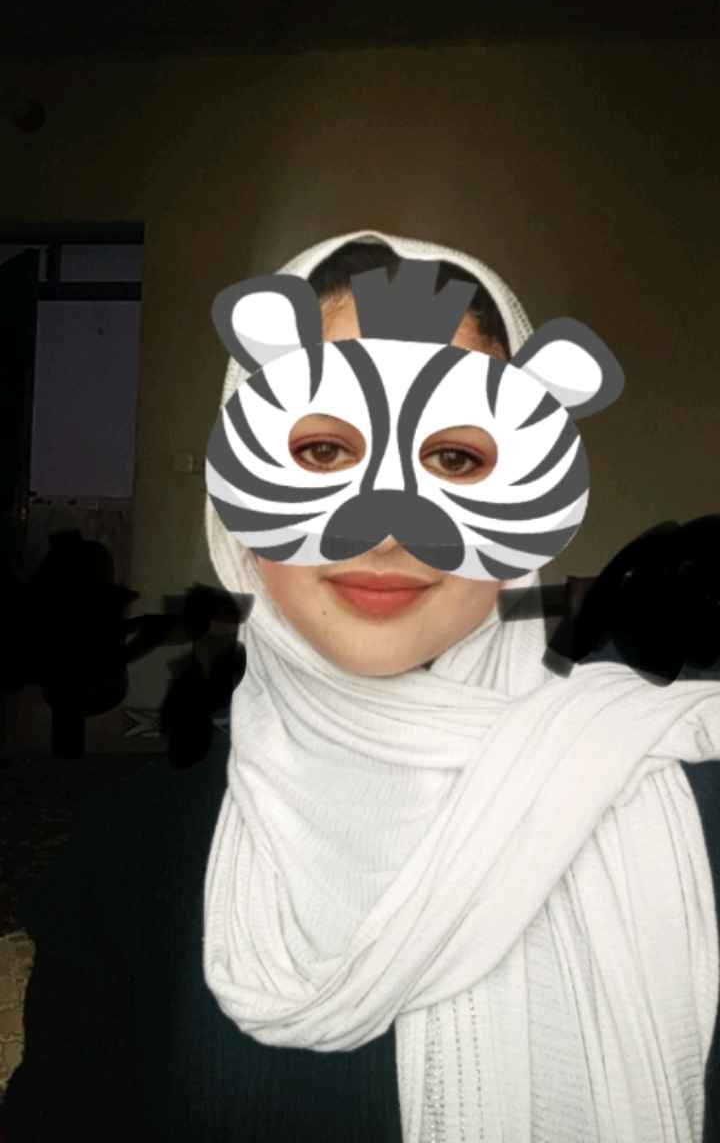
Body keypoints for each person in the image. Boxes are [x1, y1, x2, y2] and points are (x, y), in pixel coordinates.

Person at [3, 228, 720, 1142]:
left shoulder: (690, 806)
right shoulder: (129, 858)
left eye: (455, 458)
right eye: (323, 451)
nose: (386, 527)